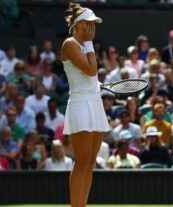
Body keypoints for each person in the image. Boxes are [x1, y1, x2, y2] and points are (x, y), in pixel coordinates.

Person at [61, 3, 110, 207]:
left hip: (94, 102)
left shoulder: (85, 46)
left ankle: (83, 204)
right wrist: (90, 45)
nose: (93, 28)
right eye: (89, 24)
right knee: (81, 161)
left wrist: (95, 85)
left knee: (90, 163)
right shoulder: (69, 44)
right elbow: (91, 70)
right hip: (80, 104)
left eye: (94, 24)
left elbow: (90, 76)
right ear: (79, 25)